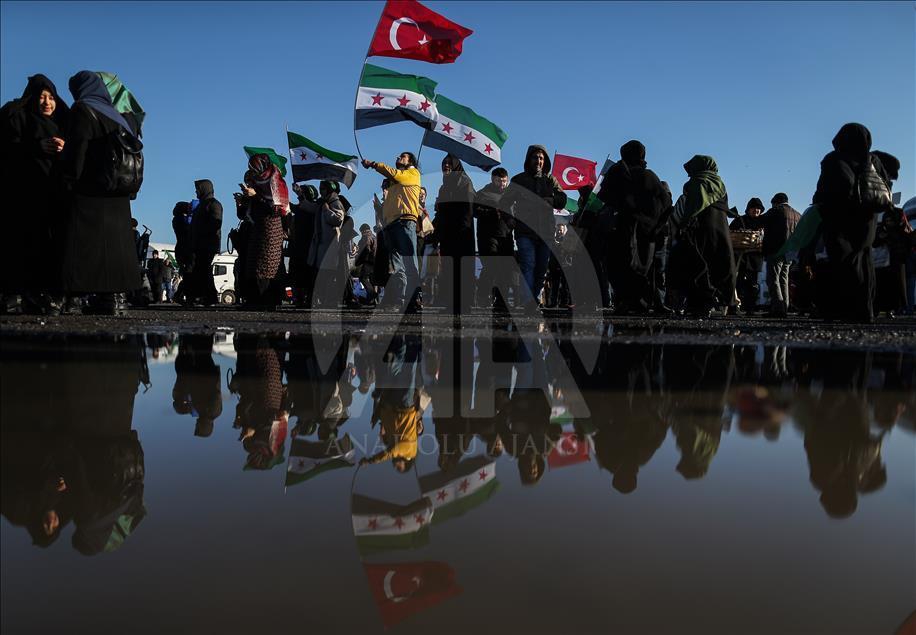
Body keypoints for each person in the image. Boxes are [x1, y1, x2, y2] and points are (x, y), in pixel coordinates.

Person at [58, 71, 143, 316]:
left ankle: (74, 298)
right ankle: (115, 298)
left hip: (91, 190)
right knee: (116, 247)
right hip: (119, 193)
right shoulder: (121, 116)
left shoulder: (83, 110)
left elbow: (78, 151)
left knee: (81, 244)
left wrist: (68, 179)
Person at [0, 74, 70, 315]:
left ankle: (44, 294)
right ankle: (16, 293)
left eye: (51, 97)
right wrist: (35, 147)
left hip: (53, 196)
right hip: (22, 195)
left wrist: (65, 149)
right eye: (41, 97)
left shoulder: (63, 122)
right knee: (21, 244)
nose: (47, 102)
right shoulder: (17, 117)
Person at [813, 123, 896, 322]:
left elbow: (826, 188)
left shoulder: (834, 159)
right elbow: (885, 184)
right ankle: (865, 311)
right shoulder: (873, 159)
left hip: (840, 218)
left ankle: (843, 309)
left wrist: (819, 204)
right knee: (865, 262)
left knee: (843, 262)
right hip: (868, 219)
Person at [598, 140, 671, 315]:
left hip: (622, 228)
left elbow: (604, 195)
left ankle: (626, 301)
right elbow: (665, 203)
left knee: (621, 265)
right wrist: (653, 222)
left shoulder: (617, 172)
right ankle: (642, 302)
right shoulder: (649, 176)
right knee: (644, 267)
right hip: (645, 230)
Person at [669, 155, 737, 317]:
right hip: (720, 230)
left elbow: (688, 208)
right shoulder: (721, 185)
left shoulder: (694, 183)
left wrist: (681, 226)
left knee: (696, 266)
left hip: (698, 229)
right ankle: (721, 303)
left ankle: (699, 304)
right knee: (719, 265)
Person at [502, 145, 567, 309]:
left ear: (544, 161)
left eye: (541, 158)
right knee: (528, 264)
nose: (538, 160)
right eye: (535, 157)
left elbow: (562, 199)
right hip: (525, 231)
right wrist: (510, 220)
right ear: (528, 159)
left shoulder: (550, 180)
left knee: (541, 269)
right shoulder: (518, 180)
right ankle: (528, 302)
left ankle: (534, 298)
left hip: (545, 231)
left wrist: (552, 200)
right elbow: (504, 203)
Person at [362, 152, 422, 311]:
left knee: (409, 263)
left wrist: (374, 164)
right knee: (397, 267)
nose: (398, 157)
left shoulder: (412, 173)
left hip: (405, 222)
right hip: (392, 225)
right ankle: (400, 299)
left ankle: (413, 299)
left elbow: (395, 173)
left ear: (410, 161)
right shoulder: (396, 184)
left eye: (403, 156)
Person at [236, 154, 289, 308]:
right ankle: (255, 300)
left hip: (271, 229)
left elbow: (275, 208)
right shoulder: (260, 181)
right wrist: (245, 199)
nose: (252, 170)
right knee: (254, 263)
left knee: (268, 265)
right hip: (259, 227)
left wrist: (255, 195)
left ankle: (268, 301)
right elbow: (257, 204)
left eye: (254, 167)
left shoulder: (274, 181)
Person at [431, 154, 476, 314]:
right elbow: (441, 215)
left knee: (462, 269)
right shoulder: (443, 187)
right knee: (449, 270)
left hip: (462, 233)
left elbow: (468, 209)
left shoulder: (465, 183)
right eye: (444, 164)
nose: (446, 166)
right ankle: (451, 303)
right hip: (447, 235)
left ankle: (465, 304)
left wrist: (462, 229)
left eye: (450, 164)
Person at [474, 167, 514, 310]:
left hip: (506, 236)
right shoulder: (483, 194)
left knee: (506, 269)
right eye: (499, 181)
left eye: (504, 181)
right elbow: (474, 211)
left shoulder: (510, 196)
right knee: (491, 265)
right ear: (492, 179)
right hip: (488, 236)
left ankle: (501, 300)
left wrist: (512, 223)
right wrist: (491, 212)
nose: (502, 184)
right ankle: (483, 295)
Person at [307, 180, 346, 307]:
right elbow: (309, 208)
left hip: (331, 245)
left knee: (329, 274)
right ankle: (322, 299)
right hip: (321, 244)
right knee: (321, 274)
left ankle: (330, 301)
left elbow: (338, 220)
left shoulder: (336, 203)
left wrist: (327, 211)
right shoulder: (322, 204)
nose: (321, 191)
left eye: (323, 188)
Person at [761, 193, 800, 317]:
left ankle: (778, 309)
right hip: (790, 251)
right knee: (784, 279)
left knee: (773, 279)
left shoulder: (775, 211)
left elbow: (760, 221)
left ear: (775, 202)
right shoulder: (797, 214)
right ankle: (785, 307)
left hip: (775, 250)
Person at [184, 179, 221, 306]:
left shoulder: (213, 204)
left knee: (203, 270)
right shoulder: (202, 204)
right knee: (201, 270)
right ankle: (204, 296)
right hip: (199, 244)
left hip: (207, 244)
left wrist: (202, 234)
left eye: (198, 189)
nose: (196, 191)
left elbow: (216, 223)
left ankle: (209, 297)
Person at [729, 198, 766, 311]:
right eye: (754, 208)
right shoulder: (739, 220)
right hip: (741, 258)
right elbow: (731, 234)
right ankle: (734, 307)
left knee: (753, 284)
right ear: (748, 209)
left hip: (755, 258)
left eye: (758, 209)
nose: (756, 210)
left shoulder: (763, 221)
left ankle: (750, 307)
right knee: (738, 283)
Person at [288, 183, 318, 306]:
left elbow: (301, 207)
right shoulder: (302, 209)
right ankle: (299, 297)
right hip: (299, 247)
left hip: (308, 247)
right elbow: (292, 207)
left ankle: (308, 297)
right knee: (298, 273)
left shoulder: (314, 208)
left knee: (307, 274)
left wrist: (299, 194)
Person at [354, 223, 378, 304]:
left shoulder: (366, 237)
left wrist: (359, 260)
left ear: (363, 230)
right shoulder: (374, 237)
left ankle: (372, 294)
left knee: (362, 278)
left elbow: (366, 249)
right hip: (375, 261)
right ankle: (372, 300)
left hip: (368, 261)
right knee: (373, 280)